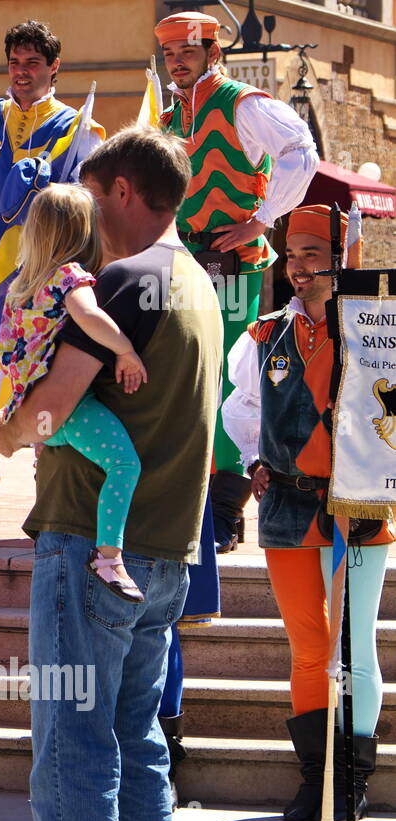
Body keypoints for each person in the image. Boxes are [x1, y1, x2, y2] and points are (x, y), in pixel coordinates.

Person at [0, 127, 223, 821]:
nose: (85, 213)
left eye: (94, 194)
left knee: (73, 750)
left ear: (124, 192)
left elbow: (53, 407)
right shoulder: (197, 280)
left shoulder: (124, 281)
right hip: (166, 549)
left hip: (93, 547)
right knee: (137, 744)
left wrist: (2, 434)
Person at [223, 205, 392, 821]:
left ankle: (351, 779)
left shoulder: (373, 328)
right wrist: (251, 461)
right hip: (289, 505)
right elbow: (237, 408)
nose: (298, 268)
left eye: (311, 256)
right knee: (307, 647)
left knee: (355, 646)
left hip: (360, 502)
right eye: (292, 257)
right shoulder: (264, 333)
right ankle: (314, 775)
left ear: (338, 258)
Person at [154, 11, 318, 552]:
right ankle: (196, 500)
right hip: (183, 263)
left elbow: (301, 151)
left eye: (188, 51)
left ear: (211, 53)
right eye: (171, 53)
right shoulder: (170, 115)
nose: (178, 61)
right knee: (186, 372)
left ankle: (226, 508)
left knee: (229, 375)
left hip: (231, 262)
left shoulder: (241, 103)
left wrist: (262, 218)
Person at [0, 20, 104, 537]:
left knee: (46, 378)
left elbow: (90, 202)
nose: (22, 72)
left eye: (33, 63)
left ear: (54, 67)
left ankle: (52, 502)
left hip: (50, 274)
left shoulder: (79, 130)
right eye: (15, 62)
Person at [0, 183, 149, 600]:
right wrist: (126, 349)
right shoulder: (70, 276)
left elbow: (9, 348)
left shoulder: (22, 284)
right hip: (70, 408)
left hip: (34, 413)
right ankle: (109, 557)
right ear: (84, 232)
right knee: (124, 466)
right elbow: (90, 316)